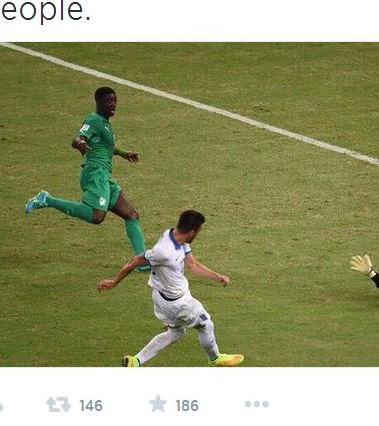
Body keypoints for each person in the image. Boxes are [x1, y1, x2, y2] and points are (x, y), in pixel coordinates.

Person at [97, 209, 244, 367]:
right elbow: (135, 262)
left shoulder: (173, 234)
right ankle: (215, 358)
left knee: (176, 332)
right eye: (198, 231)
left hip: (161, 297)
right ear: (191, 232)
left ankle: (135, 361)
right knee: (206, 324)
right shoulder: (164, 252)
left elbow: (192, 264)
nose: (198, 234)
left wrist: (217, 276)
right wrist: (114, 282)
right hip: (178, 303)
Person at [25, 87, 147, 261]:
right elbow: (79, 137)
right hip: (95, 174)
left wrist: (123, 153)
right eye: (109, 101)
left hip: (104, 176)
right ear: (98, 102)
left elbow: (105, 146)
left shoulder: (105, 123)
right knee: (97, 217)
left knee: (131, 215)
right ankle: (47, 200)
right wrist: (80, 143)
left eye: (114, 101)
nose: (113, 105)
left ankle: (142, 261)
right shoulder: (93, 120)